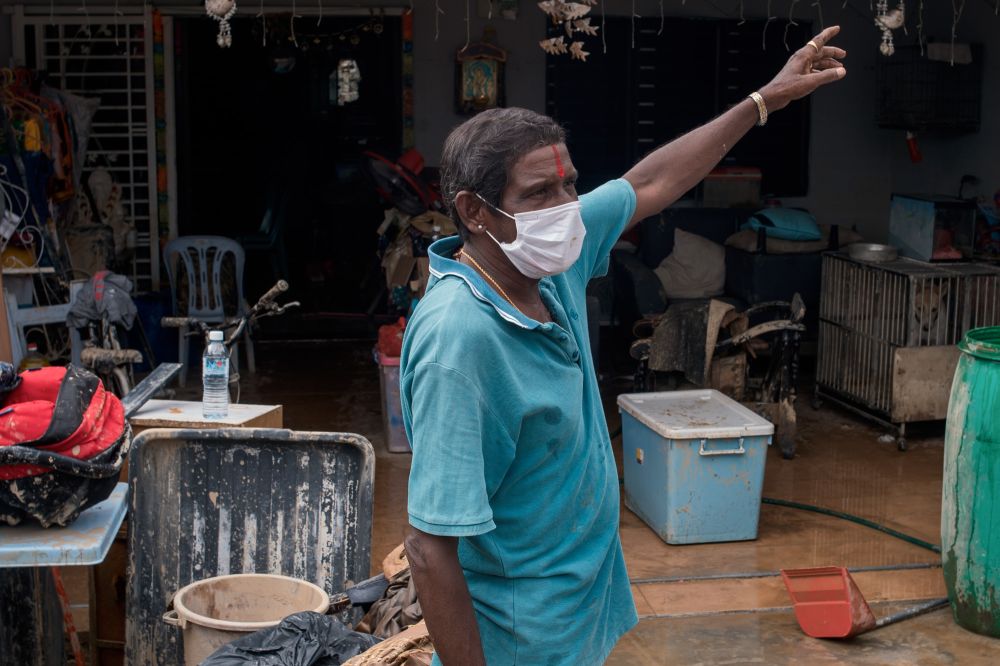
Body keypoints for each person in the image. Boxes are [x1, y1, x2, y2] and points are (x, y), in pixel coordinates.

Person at [401, 26, 847, 666]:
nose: (566, 207)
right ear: (475, 212)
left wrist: (764, 101)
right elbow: (429, 545)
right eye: (538, 193)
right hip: (519, 638)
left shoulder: (549, 264)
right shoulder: (460, 341)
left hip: (580, 605)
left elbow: (653, 181)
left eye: (569, 185)